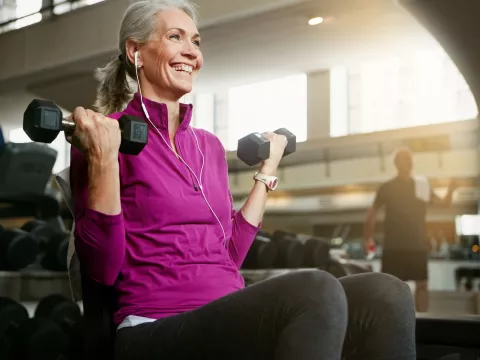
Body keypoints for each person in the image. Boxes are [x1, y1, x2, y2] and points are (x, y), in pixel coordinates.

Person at [68, 1, 416, 359]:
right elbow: (103, 271)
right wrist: (103, 159)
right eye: (175, 37)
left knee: (386, 294)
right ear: (135, 50)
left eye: (197, 42)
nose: (192, 52)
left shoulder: (209, 147)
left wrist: (268, 170)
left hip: (225, 311)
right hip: (154, 326)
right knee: (316, 289)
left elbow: (229, 257)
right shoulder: (106, 138)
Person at [364, 147, 457, 313]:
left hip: (417, 246)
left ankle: (423, 322)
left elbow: (444, 204)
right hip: (394, 247)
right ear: (396, 163)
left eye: (410, 158)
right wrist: (367, 238)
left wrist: (451, 190)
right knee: (390, 287)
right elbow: (372, 212)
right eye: (404, 158)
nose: (408, 161)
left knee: (422, 285)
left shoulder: (421, 186)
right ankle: (391, 321)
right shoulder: (387, 187)